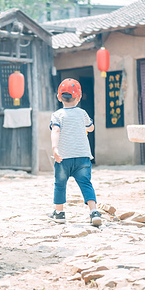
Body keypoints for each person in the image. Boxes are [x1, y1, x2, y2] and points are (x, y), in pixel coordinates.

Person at [48, 78, 102, 226]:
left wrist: (55, 148)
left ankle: (59, 213)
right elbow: (91, 128)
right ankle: (94, 212)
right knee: (86, 183)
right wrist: (84, 128)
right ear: (78, 97)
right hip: (82, 158)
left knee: (60, 184)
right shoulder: (82, 113)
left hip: (63, 158)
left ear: (59, 97)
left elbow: (56, 130)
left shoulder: (57, 115)